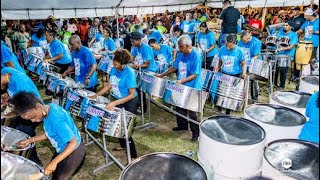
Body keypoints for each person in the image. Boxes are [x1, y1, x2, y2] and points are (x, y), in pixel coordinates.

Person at [11, 92, 85, 179]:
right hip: (63, 147)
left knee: (58, 176)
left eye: (33, 117)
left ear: (38, 106)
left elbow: (73, 142)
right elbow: (50, 133)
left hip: (73, 151)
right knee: (53, 171)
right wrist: (29, 141)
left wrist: (54, 162)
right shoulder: (49, 107)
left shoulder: (55, 119)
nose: (33, 121)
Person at [88, 49, 138, 159]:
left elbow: (131, 94)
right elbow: (108, 85)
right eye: (113, 62)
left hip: (129, 102)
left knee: (125, 128)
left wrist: (114, 103)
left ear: (123, 64)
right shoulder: (114, 70)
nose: (113, 65)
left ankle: (133, 156)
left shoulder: (129, 73)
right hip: (118, 99)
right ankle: (124, 147)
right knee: (117, 125)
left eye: (115, 64)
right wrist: (95, 95)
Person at [156, 35, 202, 141]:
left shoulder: (196, 55)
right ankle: (182, 126)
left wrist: (181, 81)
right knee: (179, 105)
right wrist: (162, 74)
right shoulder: (181, 54)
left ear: (187, 46)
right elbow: (175, 67)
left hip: (193, 86)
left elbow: (195, 74)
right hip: (181, 84)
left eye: (181, 47)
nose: (179, 49)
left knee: (191, 111)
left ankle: (196, 133)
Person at [1, 67, 42, 165]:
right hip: (22, 109)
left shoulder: (22, 85)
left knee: (24, 138)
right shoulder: (5, 72)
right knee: (10, 133)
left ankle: (34, 163)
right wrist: (6, 99)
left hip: (32, 114)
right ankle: (10, 155)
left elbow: (28, 110)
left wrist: (6, 114)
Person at [216, 34, 246, 114]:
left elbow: (243, 63)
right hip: (224, 73)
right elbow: (220, 60)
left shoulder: (239, 51)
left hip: (235, 74)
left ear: (234, 43)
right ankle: (219, 108)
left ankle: (228, 111)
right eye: (227, 44)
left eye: (230, 46)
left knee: (230, 93)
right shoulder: (222, 49)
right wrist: (218, 68)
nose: (227, 47)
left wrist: (244, 72)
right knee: (222, 92)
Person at [237, 30, 262, 102]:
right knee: (241, 79)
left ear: (248, 36)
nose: (243, 42)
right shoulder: (240, 41)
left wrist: (247, 65)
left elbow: (256, 56)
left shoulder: (256, 42)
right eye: (242, 41)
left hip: (253, 63)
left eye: (245, 41)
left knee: (253, 81)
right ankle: (240, 98)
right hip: (243, 63)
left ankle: (254, 99)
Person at [275, 23, 298, 90]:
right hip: (278, 54)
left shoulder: (293, 35)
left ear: (290, 27)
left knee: (283, 70)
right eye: (284, 25)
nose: (285, 27)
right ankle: (274, 84)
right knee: (275, 70)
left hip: (287, 55)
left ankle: (282, 86)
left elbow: (291, 46)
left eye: (287, 25)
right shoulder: (279, 33)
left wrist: (282, 48)